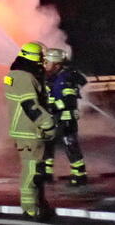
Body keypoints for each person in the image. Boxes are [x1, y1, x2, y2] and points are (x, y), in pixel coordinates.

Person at [4, 41, 56, 221]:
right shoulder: (25, 77)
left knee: (37, 172)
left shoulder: (17, 75)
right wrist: (48, 123)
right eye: (41, 58)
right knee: (32, 172)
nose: (43, 61)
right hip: (30, 132)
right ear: (34, 58)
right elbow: (30, 106)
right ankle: (30, 210)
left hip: (27, 131)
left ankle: (39, 205)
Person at [43, 47, 89, 186]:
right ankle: (46, 173)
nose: (45, 65)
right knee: (47, 145)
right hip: (54, 118)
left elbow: (68, 101)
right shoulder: (53, 77)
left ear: (56, 64)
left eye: (47, 62)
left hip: (66, 119)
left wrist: (52, 106)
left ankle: (79, 176)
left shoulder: (65, 79)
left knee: (71, 146)